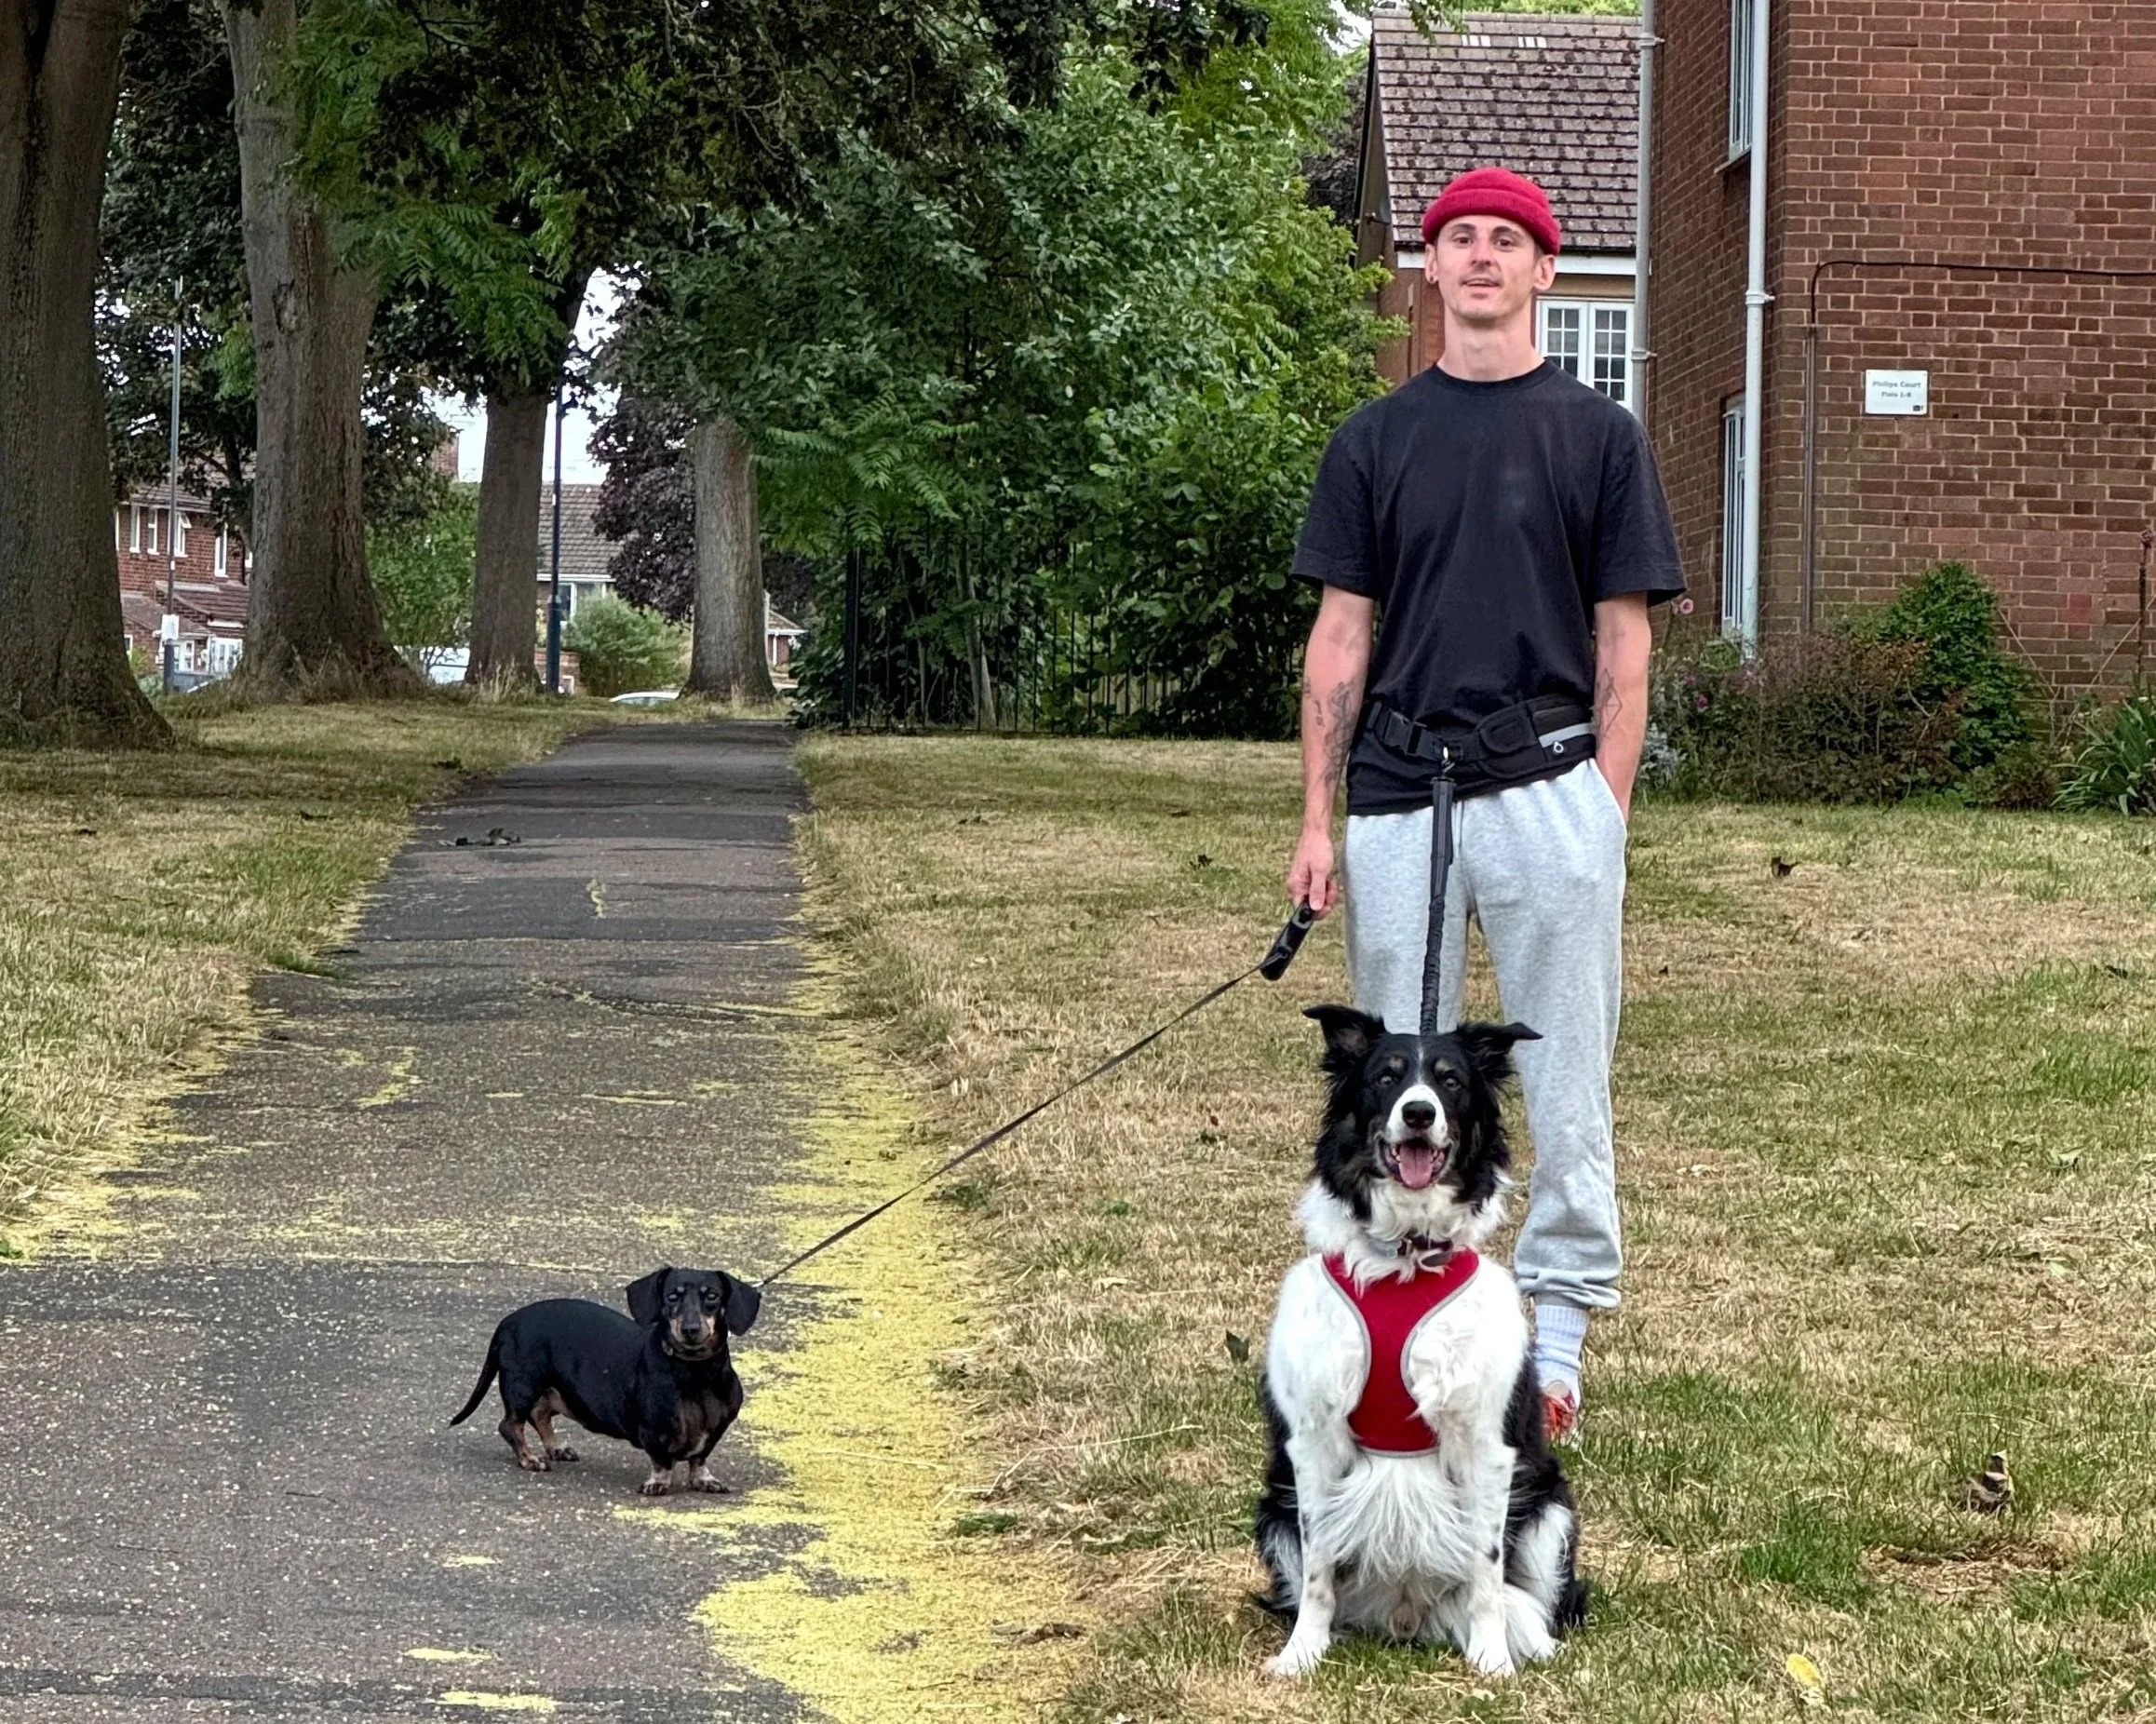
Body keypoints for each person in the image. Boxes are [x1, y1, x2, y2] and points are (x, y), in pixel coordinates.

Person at [1283, 166, 1685, 1442]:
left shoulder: (1599, 438)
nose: (1480, 259)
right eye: (1459, 239)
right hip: (1404, 793)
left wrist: (1604, 812)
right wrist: (1314, 817)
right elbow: (1339, 637)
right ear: (1431, 265)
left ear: (1542, 271)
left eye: (1506, 241)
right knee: (1402, 1078)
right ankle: (1404, 1322)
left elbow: (1626, 647)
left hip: (1550, 783)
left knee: (1563, 1070)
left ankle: (1555, 1338)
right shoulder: (1375, 441)